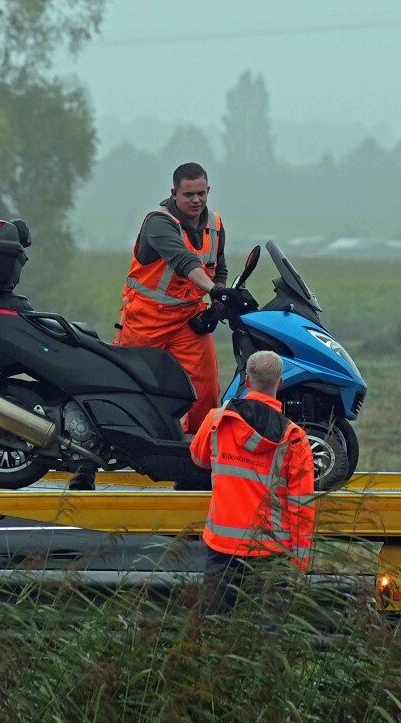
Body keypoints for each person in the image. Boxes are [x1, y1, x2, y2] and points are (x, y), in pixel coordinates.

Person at [189, 350, 315, 613]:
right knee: (265, 633)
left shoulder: (216, 420)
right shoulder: (293, 437)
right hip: (270, 550)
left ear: (246, 380)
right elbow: (301, 506)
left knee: (213, 625)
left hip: (222, 545)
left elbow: (199, 458)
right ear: (280, 383)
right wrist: (300, 562)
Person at [115, 161, 229, 430]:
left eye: (201, 193)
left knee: (207, 389)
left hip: (189, 318)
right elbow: (183, 260)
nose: (196, 200)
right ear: (174, 193)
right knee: (132, 388)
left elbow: (219, 268)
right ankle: (127, 443)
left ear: (208, 190)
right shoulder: (159, 222)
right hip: (146, 319)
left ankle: (197, 450)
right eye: (189, 194)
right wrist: (214, 289)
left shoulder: (215, 225)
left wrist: (219, 300)